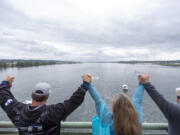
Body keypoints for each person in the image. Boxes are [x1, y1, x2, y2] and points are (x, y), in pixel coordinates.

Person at [0, 75, 90, 135]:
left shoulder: (16, 110)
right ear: (47, 96)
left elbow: (3, 96)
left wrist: (6, 83)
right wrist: (85, 84)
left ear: (32, 94)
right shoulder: (53, 112)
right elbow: (74, 101)